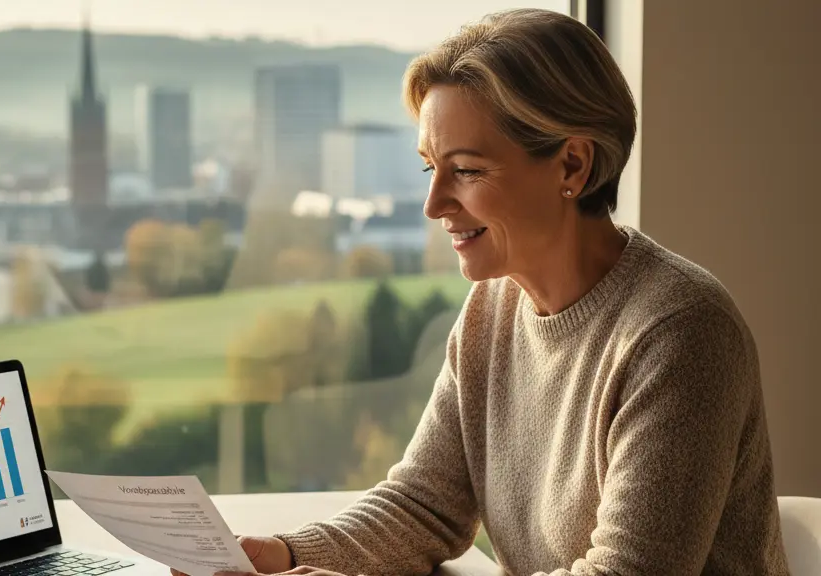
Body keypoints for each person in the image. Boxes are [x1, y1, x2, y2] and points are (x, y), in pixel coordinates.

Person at [174, 8, 789, 576]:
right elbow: (424, 507)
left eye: (466, 170)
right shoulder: (493, 309)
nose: (434, 203)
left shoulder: (681, 333)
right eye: (429, 167)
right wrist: (280, 554)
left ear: (573, 166)